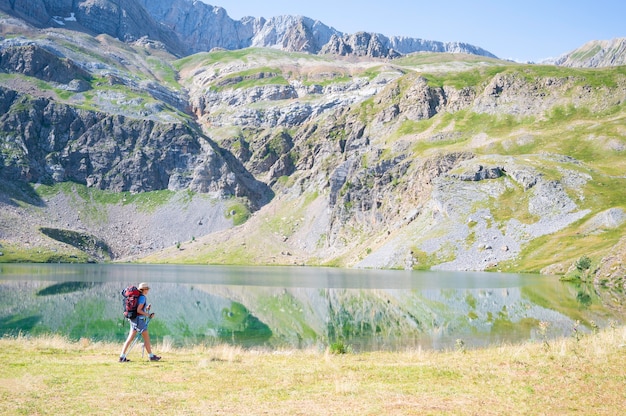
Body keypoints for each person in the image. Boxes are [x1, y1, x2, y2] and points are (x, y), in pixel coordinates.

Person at [119, 282, 161, 362]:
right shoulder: (142, 298)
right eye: (147, 289)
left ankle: (122, 356)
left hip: (133, 319)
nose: (148, 290)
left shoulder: (137, 297)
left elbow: (138, 309)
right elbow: (139, 310)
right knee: (147, 339)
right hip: (139, 320)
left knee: (130, 339)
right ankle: (151, 356)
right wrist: (148, 315)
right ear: (144, 289)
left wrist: (146, 309)